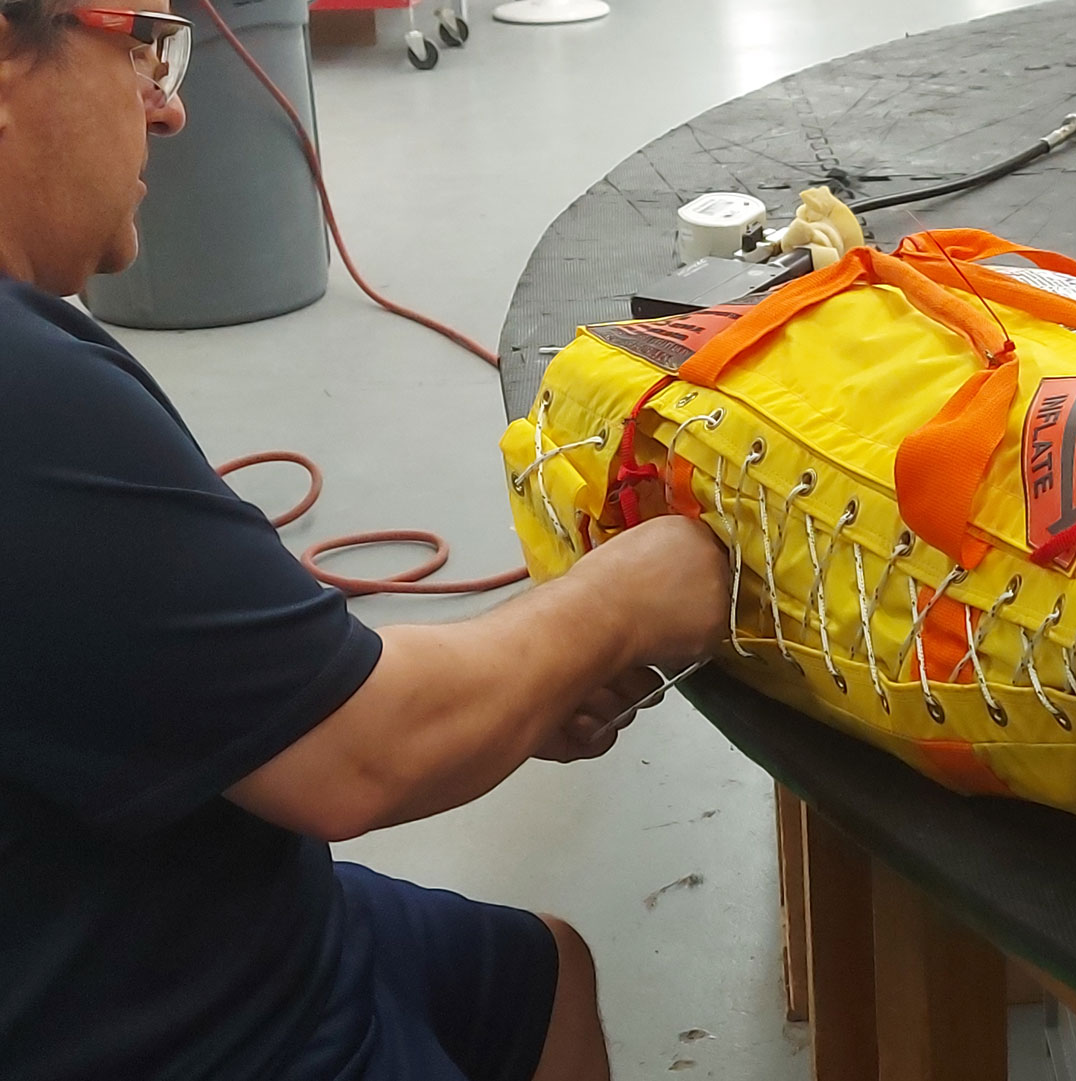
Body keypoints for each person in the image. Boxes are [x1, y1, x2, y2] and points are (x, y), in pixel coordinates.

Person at [0, 2, 731, 1078]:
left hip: (178, 903)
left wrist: (510, 687)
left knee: (543, 973)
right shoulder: (29, 399)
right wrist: (623, 599)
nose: (170, 107)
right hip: (178, 1021)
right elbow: (359, 758)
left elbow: (223, 672)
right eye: (140, 47)